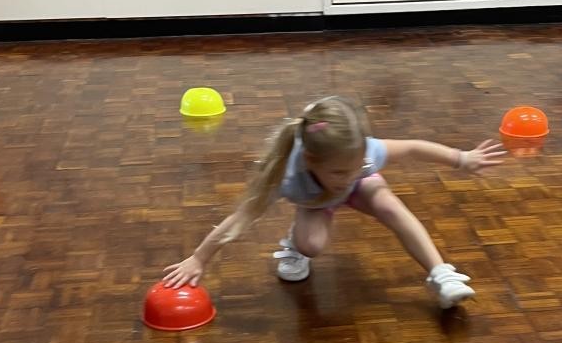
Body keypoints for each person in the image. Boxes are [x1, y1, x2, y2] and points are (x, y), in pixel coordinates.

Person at [163, 95, 505, 309]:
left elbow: (414, 147)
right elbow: (239, 219)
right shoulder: (289, 178)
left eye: (356, 163)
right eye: (342, 169)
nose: (350, 172)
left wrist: (462, 158)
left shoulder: (361, 159)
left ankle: (441, 275)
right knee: (312, 245)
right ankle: (295, 245)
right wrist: (198, 258)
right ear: (311, 161)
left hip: (362, 188)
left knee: (390, 206)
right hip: (314, 201)